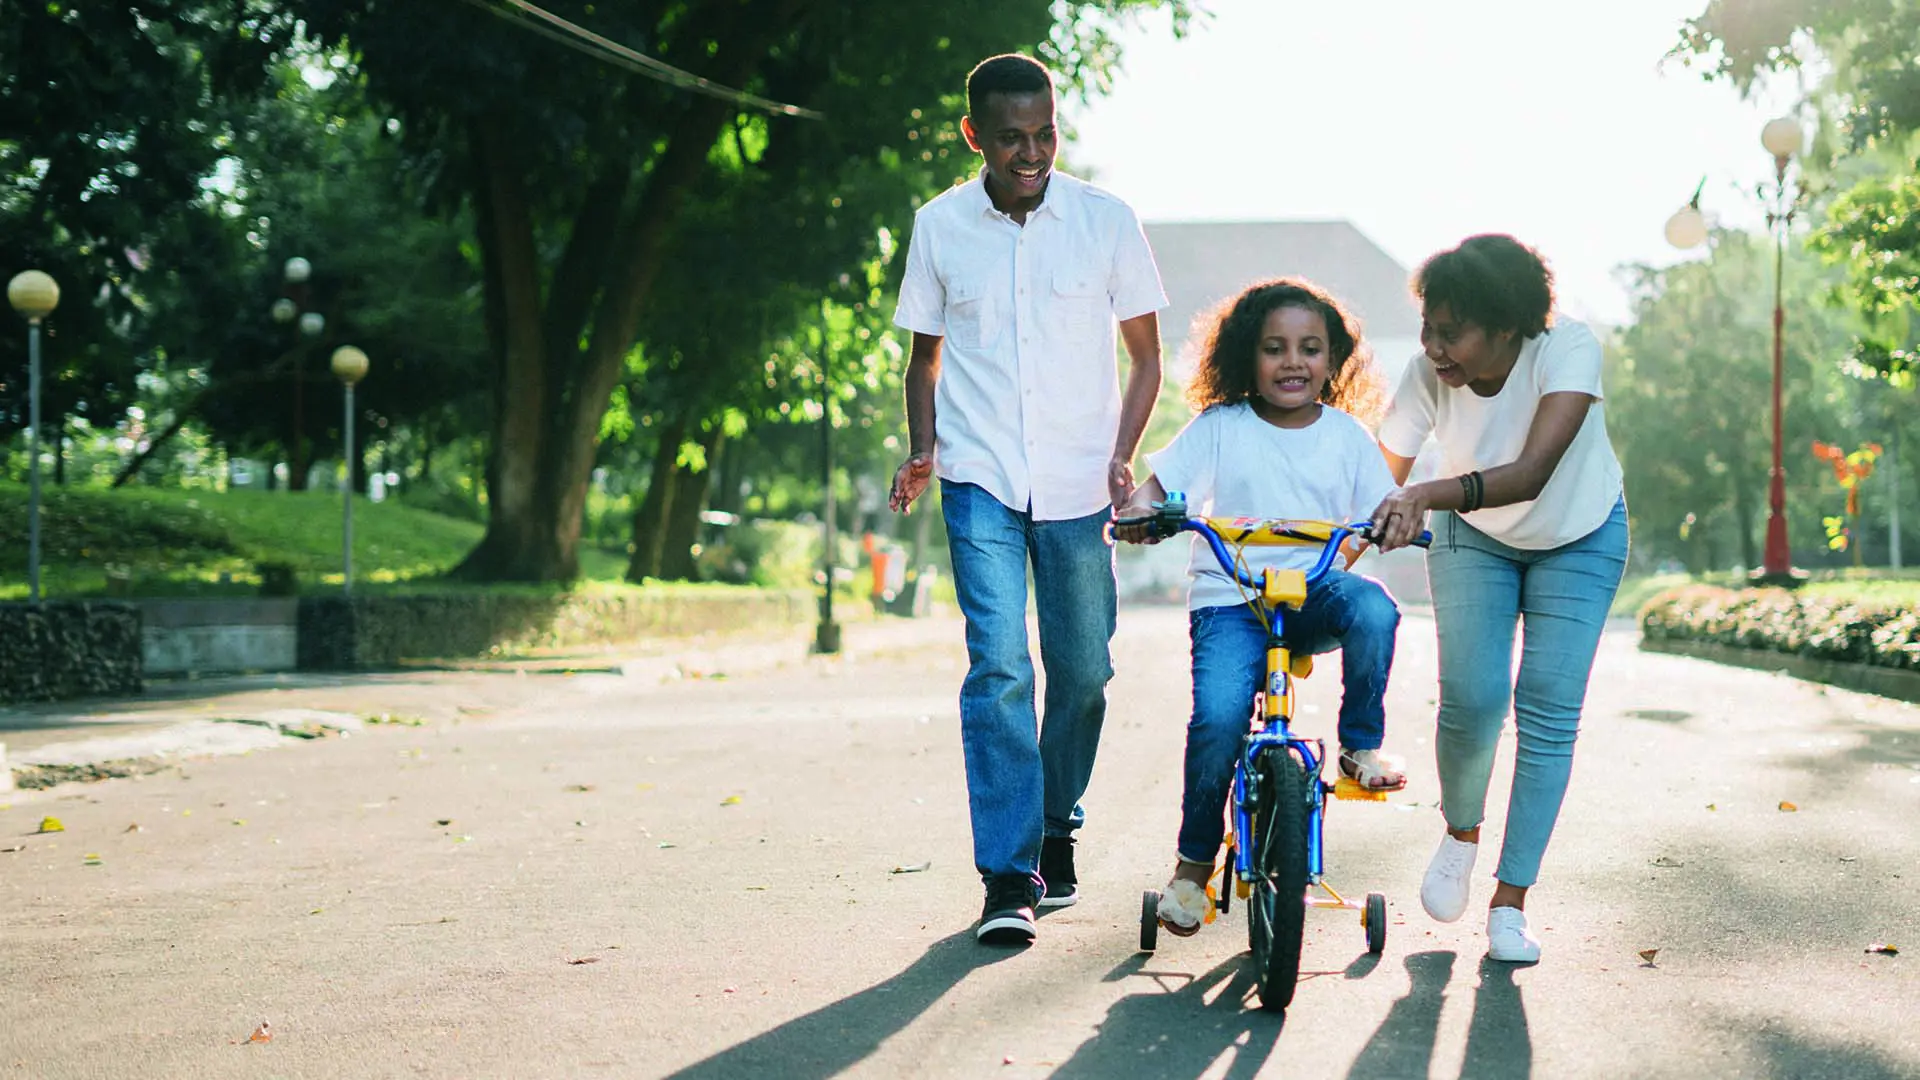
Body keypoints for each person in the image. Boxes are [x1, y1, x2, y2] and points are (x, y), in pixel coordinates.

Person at [886, 53, 1168, 945]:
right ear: (975, 136)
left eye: (1045, 133)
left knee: (1083, 673)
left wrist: (1124, 455)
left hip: (1082, 482)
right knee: (1001, 667)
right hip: (980, 480)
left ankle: (1056, 825)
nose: (1032, 152)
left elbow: (1147, 357)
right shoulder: (939, 227)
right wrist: (924, 448)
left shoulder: (1106, 221)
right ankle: (1008, 875)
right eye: (1012, 138)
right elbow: (924, 358)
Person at [1114, 279, 1405, 936]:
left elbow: (1384, 505)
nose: (1293, 362)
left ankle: (1360, 746)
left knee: (1375, 610)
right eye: (1275, 348)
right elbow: (1157, 490)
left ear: (1333, 362)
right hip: (1231, 602)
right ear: (1249, 356)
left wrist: (1395, 521)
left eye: (1310, 348)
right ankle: (1192, 868)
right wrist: (1140, 513)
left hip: (1311, 594)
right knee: (1218, 719)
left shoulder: (1349, 437)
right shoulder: (1220, 428)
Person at [1368, 234, 1628, 964]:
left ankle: (1511, 901)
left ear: (1507, 327)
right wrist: (1333, 551)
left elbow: (1534, 470)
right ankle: (1460, 833)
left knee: (1547, 707)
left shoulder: (1566, 349)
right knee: (1474, 699)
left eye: (1451, 331)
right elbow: (1375, 479)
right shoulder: (1427, 375)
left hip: (1579, 533)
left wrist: (1423, 492)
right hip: (1474, 538)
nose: (1433, 346)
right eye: (1428, 327)